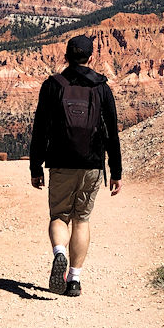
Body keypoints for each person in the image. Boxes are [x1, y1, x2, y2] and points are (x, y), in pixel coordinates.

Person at [29, 34, 123, 297]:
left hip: (60, 161)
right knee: (81, 219)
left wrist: (35, 167)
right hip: (92, 163)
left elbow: (40, 130)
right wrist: (116, 171)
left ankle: (59, 251)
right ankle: (74, 279)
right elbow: (112, 133)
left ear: (65, 57)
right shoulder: (102, 88)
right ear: (91, 58)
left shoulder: (52, 85)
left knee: (59, 216)